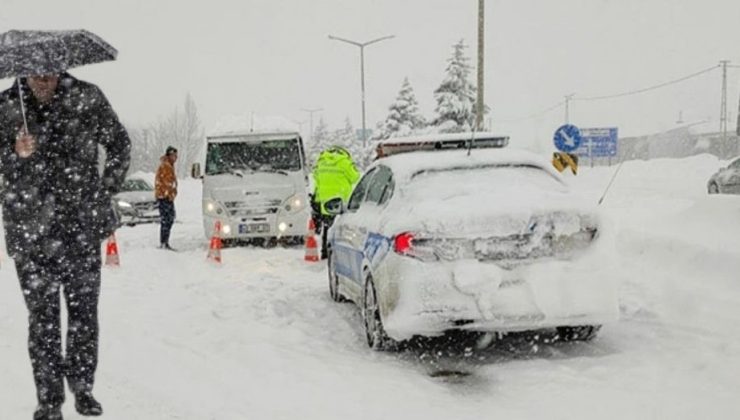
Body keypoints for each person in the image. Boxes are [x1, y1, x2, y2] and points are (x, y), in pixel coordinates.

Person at [0, 73, 131, 419]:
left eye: (51, 72)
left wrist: (104, 191)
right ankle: (49, 400)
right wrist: (13, 153)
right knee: (42, 319)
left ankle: (83, 388)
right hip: (30, 232)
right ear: (23, 71)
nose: (44, 80)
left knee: (84, 314)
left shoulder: (87, 98)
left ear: (62, 67)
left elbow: (119, 143)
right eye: (36, 73)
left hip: (81, 228)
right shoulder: (6, 107)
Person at [311, 146, 360, 258]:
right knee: (341, 228)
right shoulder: (345, 162)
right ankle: (340, 253)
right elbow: (355, 177)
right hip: (341, 202)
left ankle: (325, 251)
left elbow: (316, 178)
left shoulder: (322, 162)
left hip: (325, 203)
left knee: (327, 228)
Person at [155, 146, 178, 250]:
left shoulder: (169, 165)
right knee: (167, 219)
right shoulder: (166, 166)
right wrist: (170, 193)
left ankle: (165, 241)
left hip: (166, 196)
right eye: (174, 155)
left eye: (176, 155)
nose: (176, 157)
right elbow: (166, 183)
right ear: (169, 155)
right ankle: (164, 242)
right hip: (165, 197)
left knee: (169, 219)